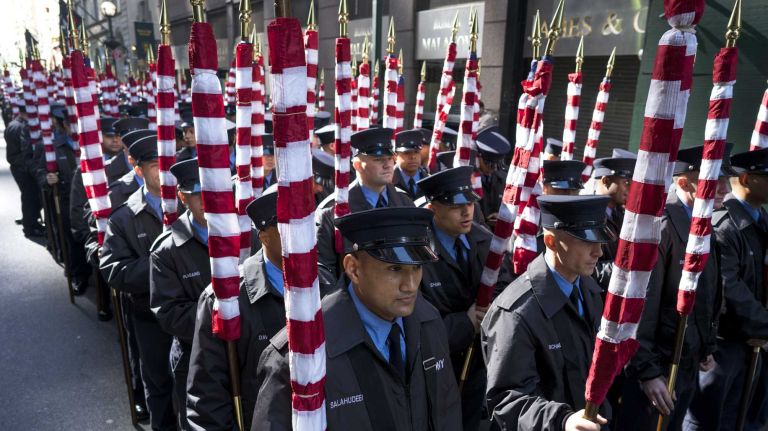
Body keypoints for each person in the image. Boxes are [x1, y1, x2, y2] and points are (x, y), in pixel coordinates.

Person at [252, 207, 462, 430]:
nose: (410, 285)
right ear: (353, 269)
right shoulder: (303, 353)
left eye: (417, 268)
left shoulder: (427, 321)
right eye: (395, 268)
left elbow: (447, 413)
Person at [617, 144, 728, 431]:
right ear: (683, 183)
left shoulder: (703, 224)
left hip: (687, 361)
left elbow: (708, 291)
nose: (724, 188)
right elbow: (642, 304)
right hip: (659, 367)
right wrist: (647, 371)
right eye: (714, 181)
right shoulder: (664, 227)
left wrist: (707, 344)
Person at [482, 195, 614, 431]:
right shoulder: (516, 312)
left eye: (600, 241)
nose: (599, 252)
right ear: (551, 242)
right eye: (587, 242)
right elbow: (507, 401)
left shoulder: (588, 289)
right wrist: (562, 420)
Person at [187, 185, 287, 430]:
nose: (302, 235)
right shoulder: (226, 299)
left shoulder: (326, 283)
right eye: (287, 228)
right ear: (263, 236)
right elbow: (207, 399)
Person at [684, 147, 768, 431]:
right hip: (723, 345)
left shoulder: (761, 222)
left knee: (739, 421)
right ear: (745, 179)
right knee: (705, 421)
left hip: (752, 343)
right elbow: (728, 287)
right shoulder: (724, 225)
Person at [100, 134, 175, 430]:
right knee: (159, 386)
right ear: (138, 168)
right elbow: (114, 270)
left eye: (168, 164)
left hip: (190, 311)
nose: (164, 172)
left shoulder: (189, 203)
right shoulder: (124, 218)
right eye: (157, 165)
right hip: (149, 316)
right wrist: (160, 266)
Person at [417, 166, 492, 430]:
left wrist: (489, 313)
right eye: (455, 206)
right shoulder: (418, 253)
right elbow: (418, 323)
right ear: (433, 208)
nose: (467, 211)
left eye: (470, 203)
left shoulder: (485, 241)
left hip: (477, 365)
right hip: (435, 367)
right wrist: (467, 322)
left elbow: (503, 285)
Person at [149, 158, 208, 430]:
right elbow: (169, 313)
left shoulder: (247, 236)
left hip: (244, 350)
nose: (206, 200)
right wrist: (220, 316)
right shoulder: (166, 250)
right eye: (197, 195)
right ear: (183, 197)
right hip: (194, 355)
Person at [315, 127, 414, 291]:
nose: (387, 165)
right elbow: (326, 271)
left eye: (390, 158)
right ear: (357, 165)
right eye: (378, 159)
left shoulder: (405, 203)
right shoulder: (332, 210)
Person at [591, 156, 636, 292]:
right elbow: (586, 270)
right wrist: (627, 266)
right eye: (627, 182)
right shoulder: (589, 217)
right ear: (606, 181)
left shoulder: (620, 214)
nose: (631, 189)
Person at [5, 105, 44, 237]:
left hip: (18, 166)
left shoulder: (13, 124)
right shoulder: (22, 127)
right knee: (30, 197)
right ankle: (30, 226)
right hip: (23, 168)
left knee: (29, 196)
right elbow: (25, 151)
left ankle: (32, 222)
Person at [476, 126, 511, 229]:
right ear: (478, 157)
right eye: (489, 163)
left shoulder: (503, 178)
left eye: (497, 164)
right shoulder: (471, 180)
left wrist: (501, 216)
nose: (493, 168)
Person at [392, 129, 430, 200]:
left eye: (416, 152)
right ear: (395, 156)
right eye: (407, 153)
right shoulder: (388, 182)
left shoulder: (430, 181)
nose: (413, 157)